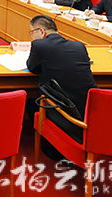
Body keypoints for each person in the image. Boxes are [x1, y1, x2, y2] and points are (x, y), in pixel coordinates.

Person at [28, 15, 98, 144]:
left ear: (42, 31)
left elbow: (33, 68)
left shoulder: (39, 45)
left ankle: (47, 145)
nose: (31, 36)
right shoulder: (79, 45)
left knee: (30, 103)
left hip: (62, 108)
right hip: (88, 105)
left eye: (32, 32)